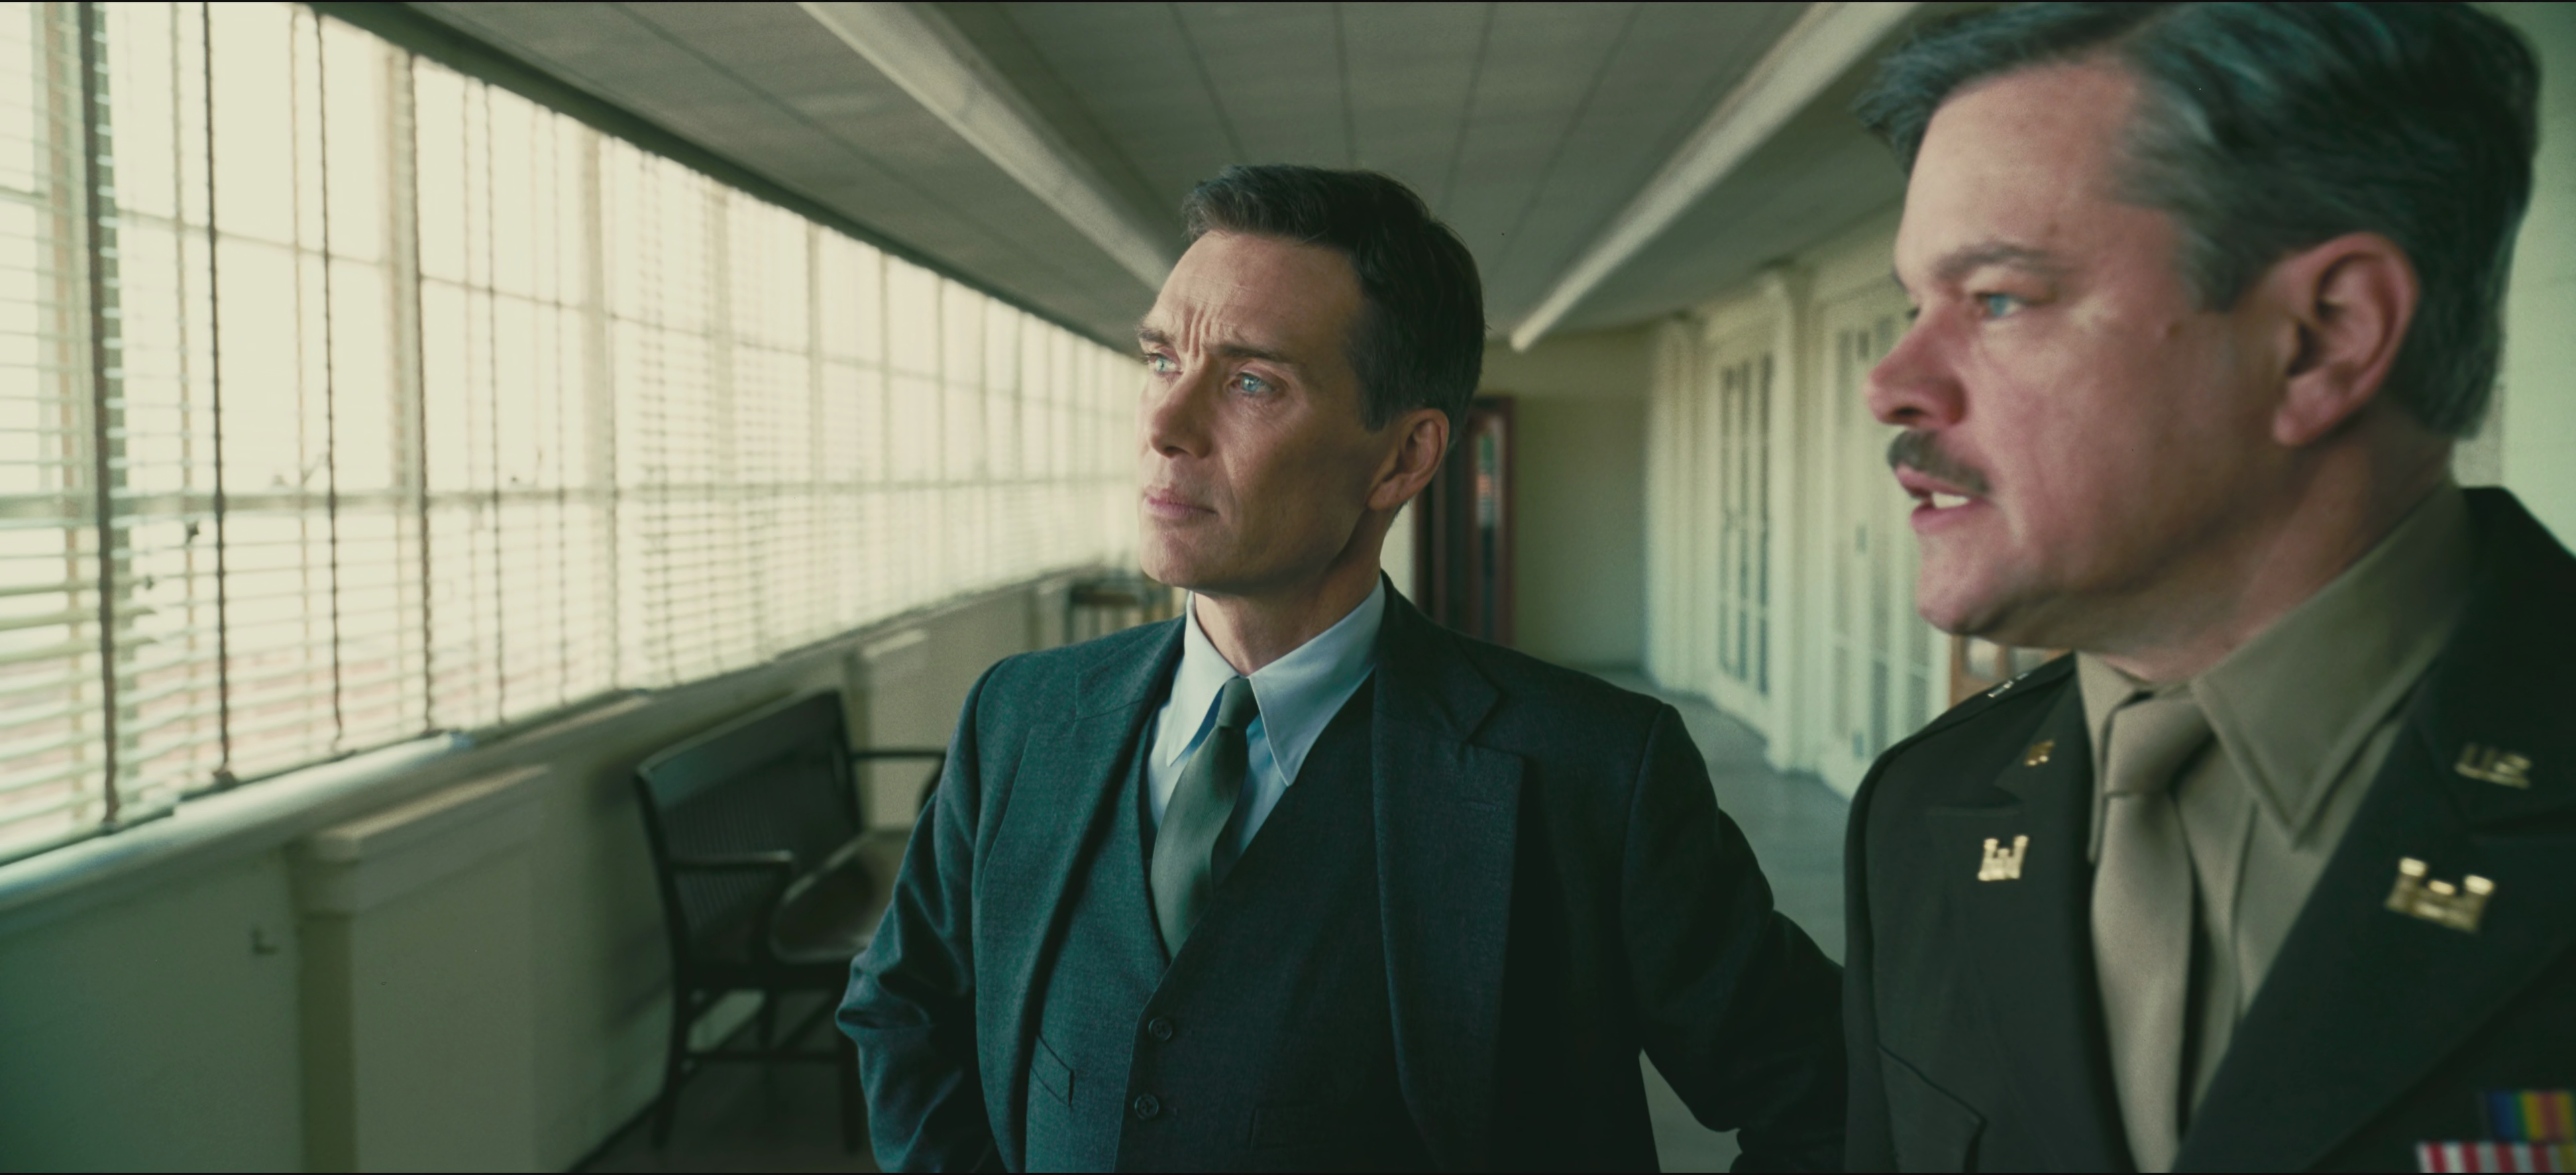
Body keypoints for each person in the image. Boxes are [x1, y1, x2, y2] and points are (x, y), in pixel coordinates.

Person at [839, 165, 1844, 1172]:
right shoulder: (1020, 716)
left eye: (1251, 382)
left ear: (1402, 459)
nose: (1164, 425)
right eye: (1161, 360)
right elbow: (903, 1008)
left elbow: (1826, 1096)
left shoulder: (1593, 774)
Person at [1839, 4, 2572, 1171]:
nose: (1891, 385)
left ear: (2323, 338)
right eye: (1911, 306)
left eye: (1998, 300)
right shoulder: (1926, 808)